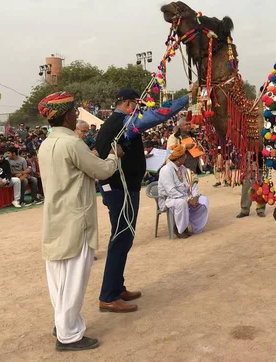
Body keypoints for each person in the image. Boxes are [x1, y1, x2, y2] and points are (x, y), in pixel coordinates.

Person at [37, 92, 121, 352]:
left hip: (55, 219)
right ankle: (68, 335)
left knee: (59, 279)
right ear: (65, 116)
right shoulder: (72, 144)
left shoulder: (46, 144)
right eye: (74, 112)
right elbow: (102, 171)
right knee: (74, 279)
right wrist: (114, 156)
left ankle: (62, 323)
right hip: (76, 220)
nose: (77, 115)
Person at [95, 88, 189, 312]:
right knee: (120, 240)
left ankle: (117, 288)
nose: (140, 112)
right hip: (121, 191)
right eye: (137, 107)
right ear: (128, 105)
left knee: (124, 239)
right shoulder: (124, 123)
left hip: (119, 189)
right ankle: (108, 295)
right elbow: (160, 114)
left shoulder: (113, 124)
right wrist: (187, 98)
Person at [158, 144, 209, 238]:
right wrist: (188, 199)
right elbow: (171, 191)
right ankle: (180, 229)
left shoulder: (183, 169)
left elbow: (191, 184)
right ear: (178, 158)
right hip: (169, 199)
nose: (186, 156)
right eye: (184, 155)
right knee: (181, 203)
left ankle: (196, 227)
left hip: (184, 196)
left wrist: (195, 196)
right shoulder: (166, 170)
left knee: (203, 200)